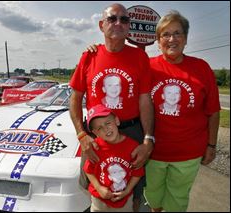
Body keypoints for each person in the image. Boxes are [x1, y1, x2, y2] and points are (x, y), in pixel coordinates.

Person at [69, 3, 154, 211]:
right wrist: (82, 135)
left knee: (134, 189)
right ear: (101, 25)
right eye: (112, 18)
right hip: (97, 135)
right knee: (96, 185)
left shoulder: (139, 57)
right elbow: (75, 97)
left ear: (129, 26)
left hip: (131, 131)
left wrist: (148, 139)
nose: (118, 23)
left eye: (124, 19)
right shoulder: (89, 56)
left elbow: (145, 100)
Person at [143, 10, 221, 212]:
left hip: (188, 154)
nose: (172, 39)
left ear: (186, 38)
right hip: (153, 152)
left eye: (177, 33)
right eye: (166, 35)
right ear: (158, 41)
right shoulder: (148, 67)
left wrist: (211, 145)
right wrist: (96, 51)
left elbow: (213, 111)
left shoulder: (201, 68)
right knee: (153, 198)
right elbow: (119, 65)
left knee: (177, 201)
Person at [83, 104, 145, 212]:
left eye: (108, 123)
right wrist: (99, 188)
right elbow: (88, 170)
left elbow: (138, 172)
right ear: (95, 133)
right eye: (99, 128)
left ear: (116, 121)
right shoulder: (96, 147)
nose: (106, 129)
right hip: (99, 199)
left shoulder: (132, 146)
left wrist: (127, 190)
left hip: (124, 199)